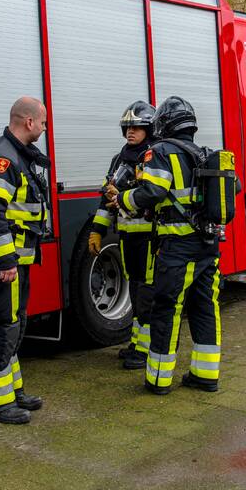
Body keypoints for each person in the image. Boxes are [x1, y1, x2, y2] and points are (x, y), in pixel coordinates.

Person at [109, 96, 222, 395]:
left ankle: (158, 379)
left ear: (164, 123)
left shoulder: (160, 152)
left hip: (177, 247)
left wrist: (123, 199)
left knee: (165, 308)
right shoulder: (203, 153)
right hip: (208, 244)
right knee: (204, 307)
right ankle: (205, 375)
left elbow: (152, 192)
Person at [0, 96, 50, 424]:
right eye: (43, 122)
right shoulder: (2, 159)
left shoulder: (16, 156)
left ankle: (11, 392)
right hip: (0, 264)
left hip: (15, 262)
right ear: (29, 122)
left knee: (13, 327)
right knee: (0, 330)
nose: (45, 128)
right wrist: (5, 260)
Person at [89, 101, 156, 370]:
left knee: (147, 295)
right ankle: (137, 344)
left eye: (137, 127)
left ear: (149, 129)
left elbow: (154, 196)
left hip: (151, 238)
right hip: (128, 238)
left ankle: (148, 349)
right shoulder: (120, 159)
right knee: (137, 291)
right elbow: (107, 199)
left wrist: (125, 197)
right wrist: (97, 231)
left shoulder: (154, 157)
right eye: (127, 127)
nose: (130, 132)